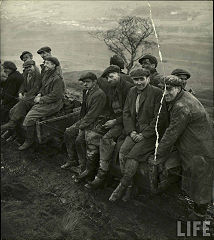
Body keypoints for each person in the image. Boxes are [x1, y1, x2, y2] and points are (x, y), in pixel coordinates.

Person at [156, 75, 213, 220]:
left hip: (200, 148)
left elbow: (171, 133)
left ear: (179, 88)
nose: (165, 93)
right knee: (197, 178)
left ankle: (199, 216)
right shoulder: (182, 97)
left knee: (201, 181)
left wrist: (158, 155)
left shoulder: (182, 106)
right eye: (163, 89)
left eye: (168, 89)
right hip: (197, 144)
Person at [109, 68, 168, 202]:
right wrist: (131, 131)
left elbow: (159, 119)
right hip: (134, 131)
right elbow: (126, 113)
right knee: (123, 151)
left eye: (142, 79)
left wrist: (144, 134)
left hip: (150, 135)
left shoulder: (157, 93)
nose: (139, 82)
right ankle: (130, 186)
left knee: (133, 156)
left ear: (148, 79)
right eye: (136, 79)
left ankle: (122, 188)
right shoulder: (132, 91)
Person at [85, 65, 133, 189]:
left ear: (118, 74)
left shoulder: (129, 89)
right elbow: (111, 109)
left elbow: (131, 113)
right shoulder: (112, 88)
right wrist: (106, 119)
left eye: (111, 76)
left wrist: (115, 122)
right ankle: (90, 169)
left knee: (106, 139)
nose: (109, 80)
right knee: (92, 135)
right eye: (107, 78)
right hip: (115, 119)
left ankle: (101, 176)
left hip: (127, 123)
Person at [61, 72, 106, 174]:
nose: (85, 84)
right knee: (68, 132)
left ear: (94, 82)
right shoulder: (86, 91)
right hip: (85, 120)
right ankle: (72, 159)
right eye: (83, 82)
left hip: (95, 122)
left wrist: (81, 126)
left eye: (87, 82)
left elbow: (93, 114)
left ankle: (83, 167)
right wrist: (79, 122)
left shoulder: (99, 94)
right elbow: (84, 110)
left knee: (79, 140)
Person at [19, 57, 65, 150]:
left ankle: (29, 141)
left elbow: (56, 95)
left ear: (54, 65)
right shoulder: (47, 74)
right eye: (45, 63)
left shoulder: (57, 78)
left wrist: (41, 99)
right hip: (46, 101)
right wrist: (39, 93)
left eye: (48, 63)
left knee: (30, 117)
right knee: (26, 104)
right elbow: (43, 87)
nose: (45, 65)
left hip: (54, 104)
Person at [1, 60, 41, 132]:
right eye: (26, 67)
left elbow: (35, 89)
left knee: (22, 104)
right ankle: (12, 128)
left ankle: (11, 123)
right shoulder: (26, 74)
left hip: (35, 96)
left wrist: (26, 96)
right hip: (27, 96)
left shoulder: (38, 75)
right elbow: (23, 85)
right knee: (13, 109)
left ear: (34, 66)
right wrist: (20, 93)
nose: (28, 69)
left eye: (30, 67)